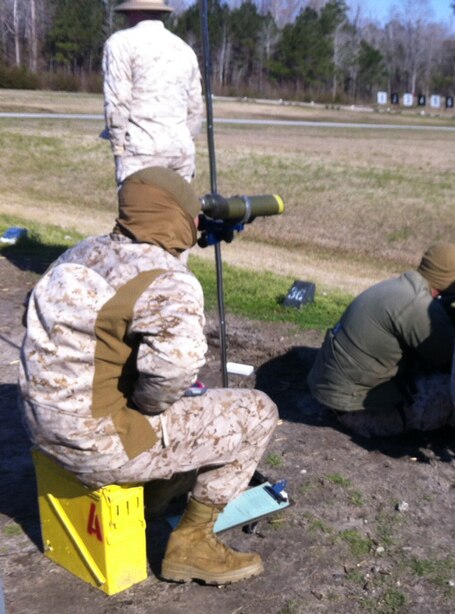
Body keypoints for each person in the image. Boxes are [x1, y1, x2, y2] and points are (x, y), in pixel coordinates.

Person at [18, 167, 279, 586]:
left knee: (175, 402)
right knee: (258, 411)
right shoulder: (168, 280)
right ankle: (192, 545)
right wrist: (145, 408)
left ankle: (155, 489)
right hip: (97, 448)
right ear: (175, 216)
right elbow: (172, 373)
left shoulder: (79, 254)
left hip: (41, 429)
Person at [307, 243, 455, 438]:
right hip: (355, 410)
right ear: (450, 278)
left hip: (326, 389)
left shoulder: (399, 287)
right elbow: (451, 361)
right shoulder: (418, 306)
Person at [103, 0, 203, 185]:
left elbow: (118, 100)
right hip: (181, 151)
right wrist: (183, 140)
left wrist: (118, 146)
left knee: (139, 212)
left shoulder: (120, 43)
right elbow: (195, 108)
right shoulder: (184, 49)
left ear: (131, 12)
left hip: (141, 151)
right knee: (177, 213)